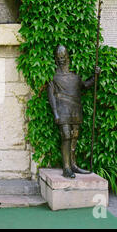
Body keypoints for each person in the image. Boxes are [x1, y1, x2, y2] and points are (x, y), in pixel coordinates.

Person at [47, 45, 101, 178]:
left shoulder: (75, 75)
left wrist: (95, 76)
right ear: (55, 58)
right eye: (59, 57)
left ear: (67, 57)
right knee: (66, 135)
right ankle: (66, 167)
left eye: (63, 56)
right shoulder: (53, 76)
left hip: (75, 109)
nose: (61, 60)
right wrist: (56, 113)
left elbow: (85, 85)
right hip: (62, 110)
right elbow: (51, 96)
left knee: (74, 136)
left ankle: (73, 164)